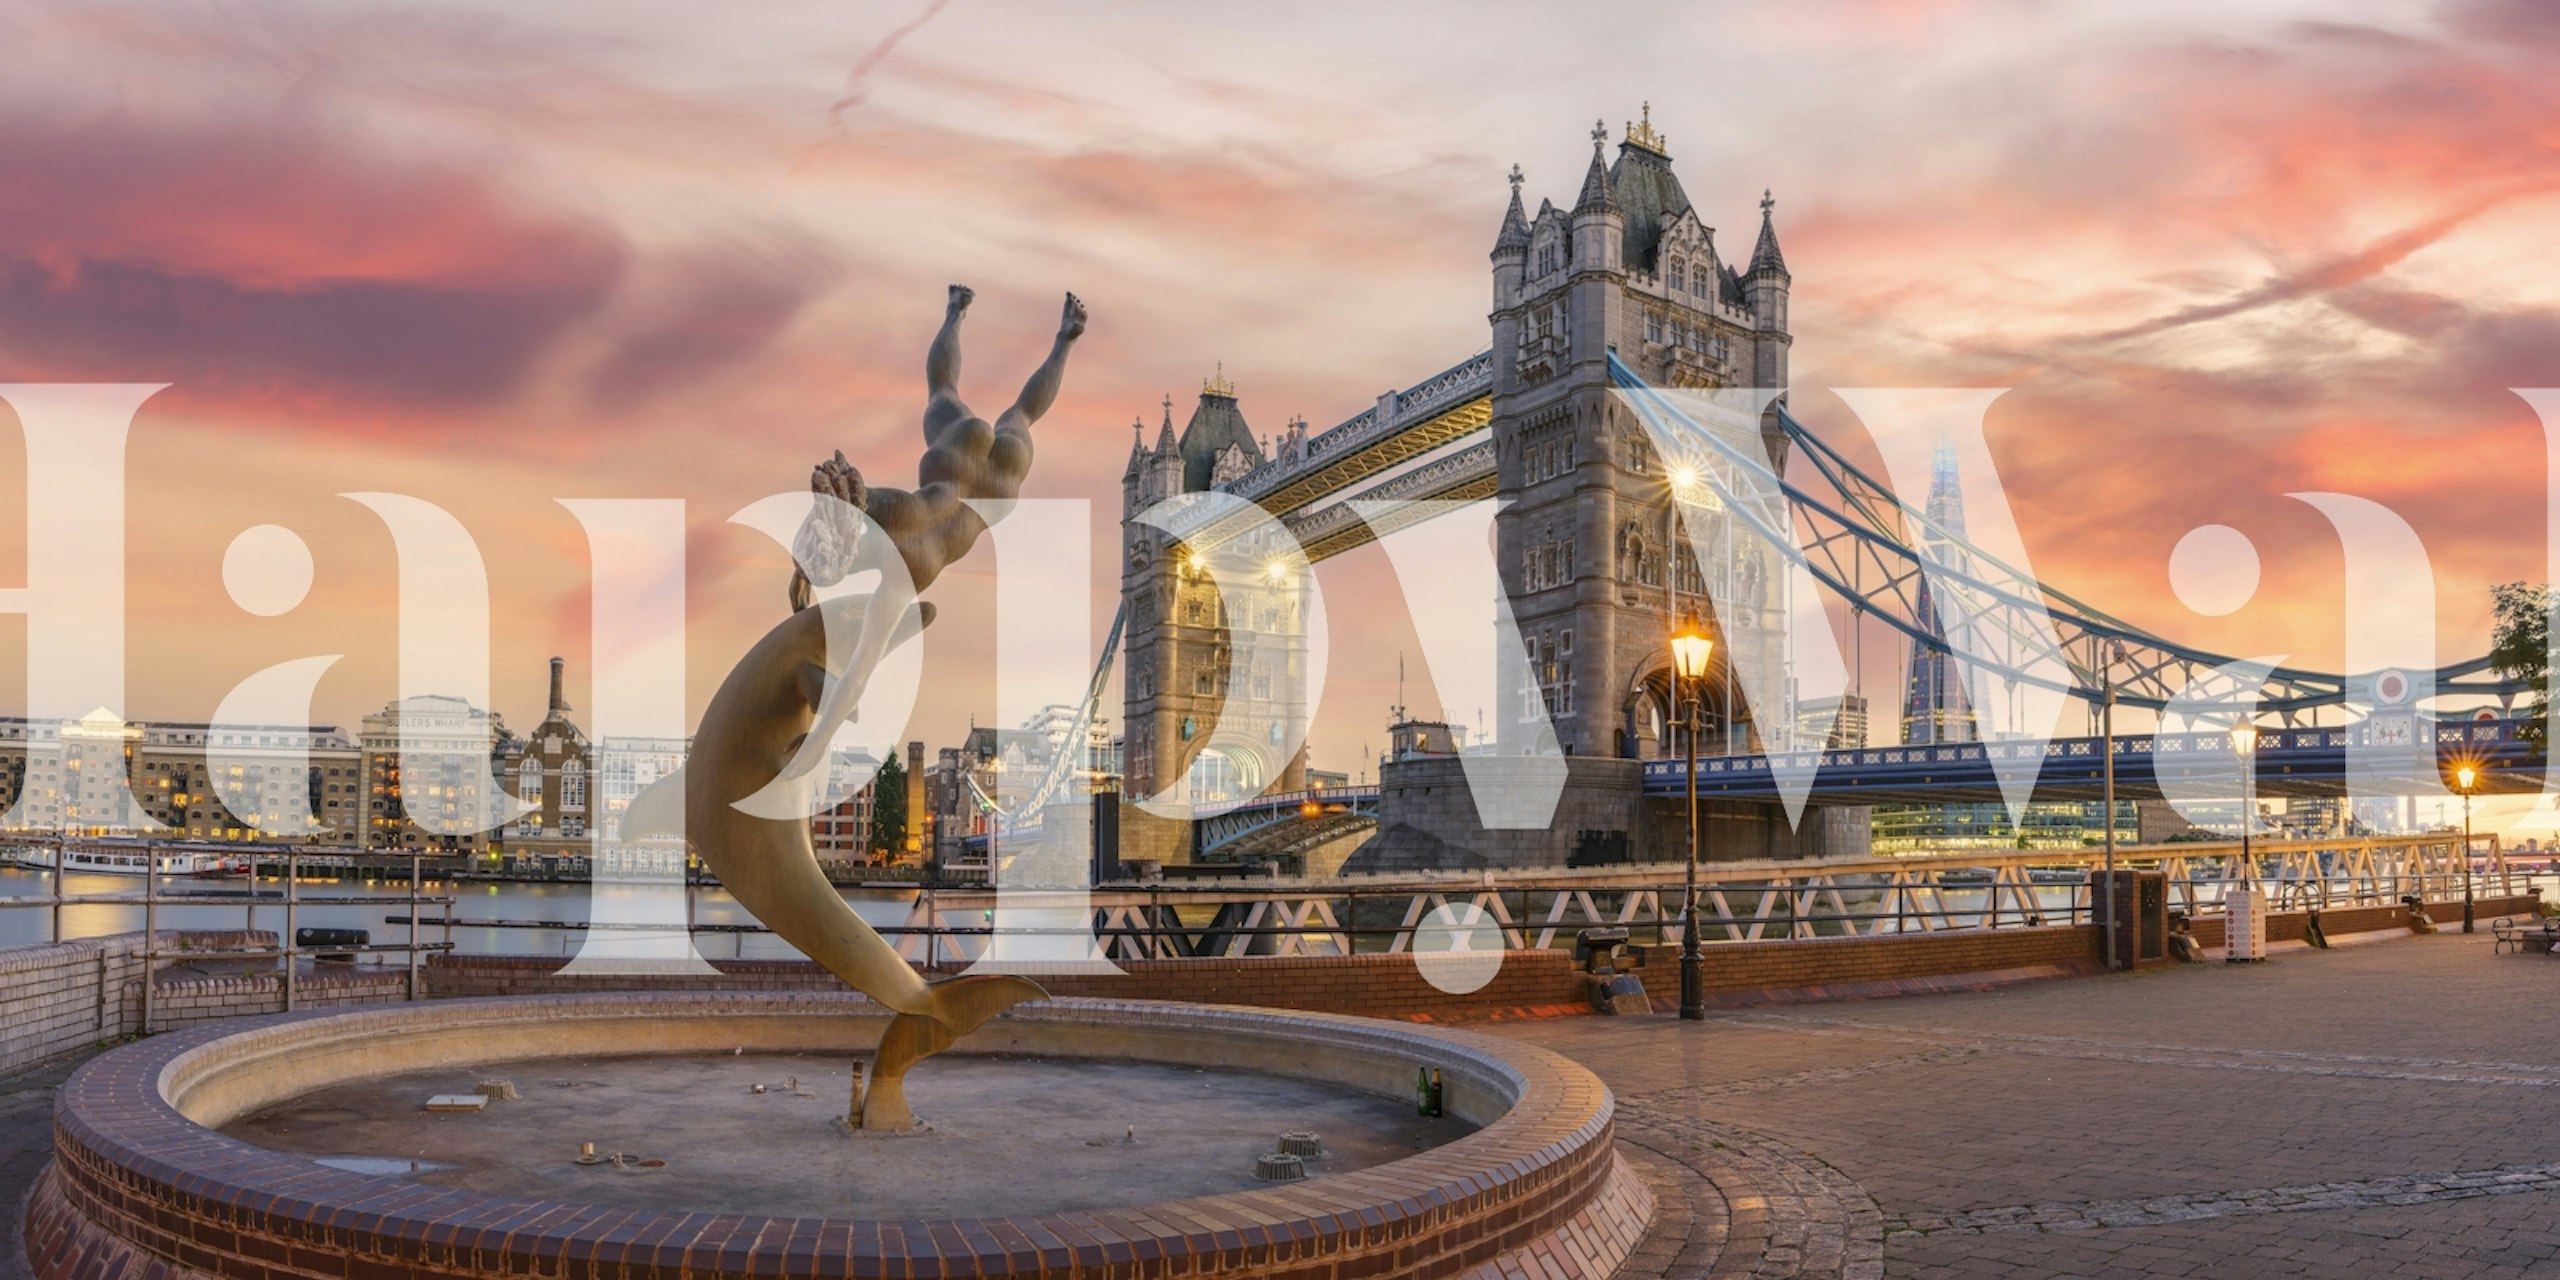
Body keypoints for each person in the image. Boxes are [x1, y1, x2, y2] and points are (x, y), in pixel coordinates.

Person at [780, 285, 1087, 779]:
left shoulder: (905, 578)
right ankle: (965, 314)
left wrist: (814, 748)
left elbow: (857, 676)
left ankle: (1062, 340)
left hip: (998, 491)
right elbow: (841, 499)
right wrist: (801, 568)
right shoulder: (886, 510)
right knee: (944, 390)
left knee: (1021, 416)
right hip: (957, 453)